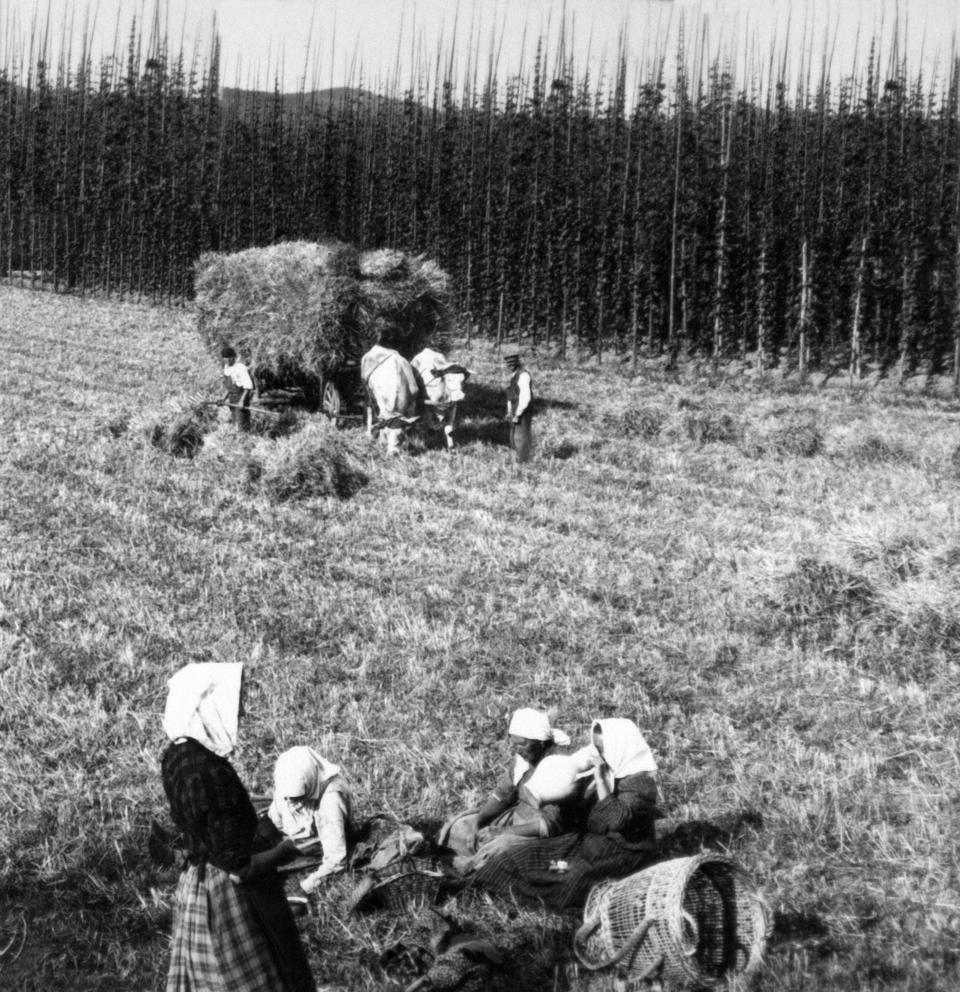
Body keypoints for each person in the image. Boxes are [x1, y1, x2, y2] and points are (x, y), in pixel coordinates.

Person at [160, 662, 317, 992]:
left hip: (198, 884)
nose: (240, 709)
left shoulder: (176, 755)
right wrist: (287, 850)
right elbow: (239, 869)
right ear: (204, 707)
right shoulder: (208, 772)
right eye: (233, 700)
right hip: (231, 897)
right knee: (265, 976)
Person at [470, 716, 661, 911]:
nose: (598, 754)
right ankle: (477, 884)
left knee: (568, 876)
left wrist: (601, 781)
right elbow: (575, 815)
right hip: (587, 848)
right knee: (524, 858)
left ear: (620, 748)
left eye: (602, 749)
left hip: (618, 858)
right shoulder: (606, 775)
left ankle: (528, 899)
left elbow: (615, 820)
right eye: (595, 748)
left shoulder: (641, 783)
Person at [438, 707, 584, 870]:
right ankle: (467, 863)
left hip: (542, 835)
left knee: (500, 849)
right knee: (461, 827)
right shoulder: (523, 761)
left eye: (523, 745)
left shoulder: (558, 766)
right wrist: (479, 821)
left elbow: (550, 825)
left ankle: (471, 871)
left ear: (540, 742)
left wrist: (503, 832)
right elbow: (503, 795)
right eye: (515, 745)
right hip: (517, 818)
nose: (518, 751)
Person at [267, 746, 353, 894]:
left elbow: (336, 860)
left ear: (309, 784)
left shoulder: (330, 802)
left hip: (318, 841)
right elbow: (275, 814)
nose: (289, 801)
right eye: (287, 797)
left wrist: (306, 886)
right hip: (294, 834)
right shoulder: (288, 776)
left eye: (295, 798)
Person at [503, 347, 533, 462]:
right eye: (508, 363)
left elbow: (526, 397)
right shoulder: (514, 375)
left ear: (517, 362)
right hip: (515, 409)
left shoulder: (523, 375)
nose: (509, 365)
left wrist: (518, 414)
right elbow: (511, 395)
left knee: (522, 436)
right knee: (514, 435)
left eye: (511, 363)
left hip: (522, 410)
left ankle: (523, 462)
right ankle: (516, 459)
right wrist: (510, 411)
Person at [221, 345, 255, 430]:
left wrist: (242, 401)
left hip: (241, 397)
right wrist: (223, 400)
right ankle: (240, 439)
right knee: (235, 422)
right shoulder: (226, 368)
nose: (228, 360)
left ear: (234, 358)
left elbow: (248, 387)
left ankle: (246, 439)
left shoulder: (240, 368)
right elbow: (230, 388)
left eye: (230, 358)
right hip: (232, 399)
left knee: (242, 424)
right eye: (225, 358)